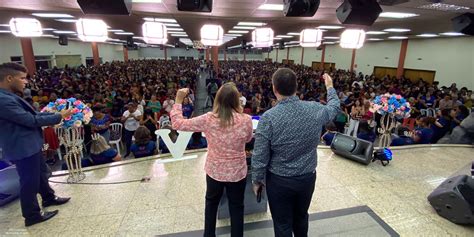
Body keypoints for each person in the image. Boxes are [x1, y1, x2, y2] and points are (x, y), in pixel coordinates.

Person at [252, 69, 340, 237]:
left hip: (279, 181)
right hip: (307, 178)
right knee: (301, 218)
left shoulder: (269, 118)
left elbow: (260, 155)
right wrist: (330, 86)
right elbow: (334, 107)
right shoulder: (314, 109)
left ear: (274, 88)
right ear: (296, 87)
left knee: (282, 224)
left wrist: (257, 180)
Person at [170, 84, 253, 237]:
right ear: (236, 100)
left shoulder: (209, 119)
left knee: (211, 205)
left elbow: (178, 124)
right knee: (237, 208)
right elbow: (248, 138)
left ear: (218, 100)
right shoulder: (246, 120)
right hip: (237, 173)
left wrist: (178, 100)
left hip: (215, 172)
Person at [0, 63, 73, 227]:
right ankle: (32, 215)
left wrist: (48, 114)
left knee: (40, 174)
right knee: (29, 181)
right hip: (22, 147)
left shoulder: (9, 94)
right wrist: (58, 116)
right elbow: (30, 120)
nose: (26, 82)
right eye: (22, 78)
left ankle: (48, 198)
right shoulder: (2, 100)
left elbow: (29, 115)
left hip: (30, 144)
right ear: (9, 78)